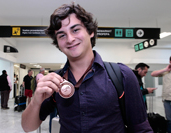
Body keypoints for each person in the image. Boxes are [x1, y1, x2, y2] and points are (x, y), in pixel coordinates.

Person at [21, 3, 153, 132]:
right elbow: (28, 127)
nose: (70, 39)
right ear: (58, 43)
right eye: (62, 35)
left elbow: (141, 128)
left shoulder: (122, 75)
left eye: (75, 30)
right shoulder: (55, 81)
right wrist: (35, 101)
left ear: (90, 32)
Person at [151, 56, 171, 133]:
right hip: (167, 99)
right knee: (169, 119)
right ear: (170, 61)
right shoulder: (166, 71)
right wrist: (166, 69)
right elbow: (153, 74)